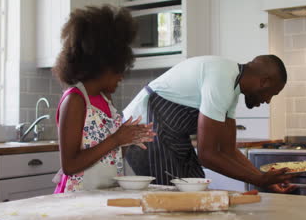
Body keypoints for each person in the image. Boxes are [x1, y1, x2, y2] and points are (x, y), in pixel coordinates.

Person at [123, 55, 296, 193]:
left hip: (171, 136)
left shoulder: (232, 87)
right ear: (264, 81)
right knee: (173, 200)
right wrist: (258, 180)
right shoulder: (222, 78)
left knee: (195, 192)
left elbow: (228, 151)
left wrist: (263, 179)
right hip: (144, 132)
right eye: (272, 93)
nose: (268, 100)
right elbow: (207, 156)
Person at [52, 5, 156, 192]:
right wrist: (116, 139)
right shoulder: (75, 101)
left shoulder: (106, 101)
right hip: (75, 199)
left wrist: (128, 139)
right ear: (102, 65)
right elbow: (70, 165)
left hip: (102, 194)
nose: (121, 77)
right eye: (118, 70)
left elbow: (107, 154)